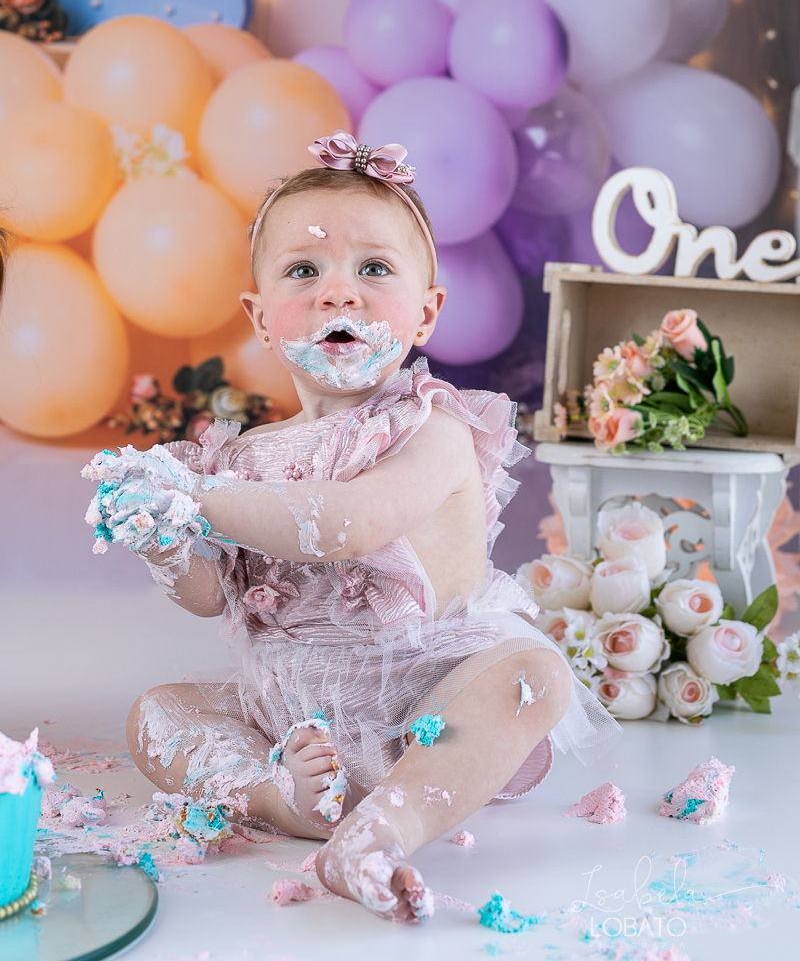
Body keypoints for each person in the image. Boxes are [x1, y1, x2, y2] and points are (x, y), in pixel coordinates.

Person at [90, 133, 620, 922]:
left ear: (428, 310)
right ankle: (281, 796)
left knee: (531, 676)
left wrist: (191, 496)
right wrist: (165, 541)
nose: (340, 293)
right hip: (291, 715)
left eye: (374, 268)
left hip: (424, 697)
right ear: (261, 318)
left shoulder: (430, 428)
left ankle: (381, 829)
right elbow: (212, 596)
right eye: (304, 271)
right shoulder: (241, 457)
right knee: (156, 714)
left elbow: (347, 524)